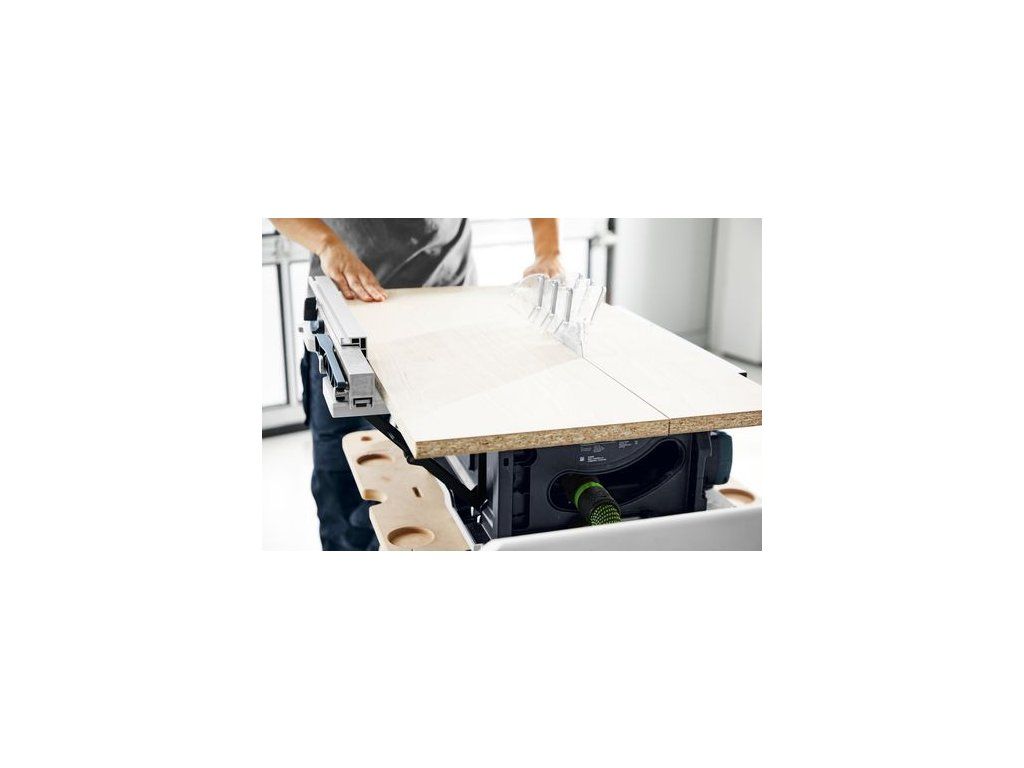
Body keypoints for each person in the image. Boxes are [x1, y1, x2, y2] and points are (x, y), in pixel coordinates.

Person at [269, 218, 564, 550]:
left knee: (458, 491)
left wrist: (548, 253)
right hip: (347, 315)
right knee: (344, 488)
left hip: (446, 316)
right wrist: (327, 244)